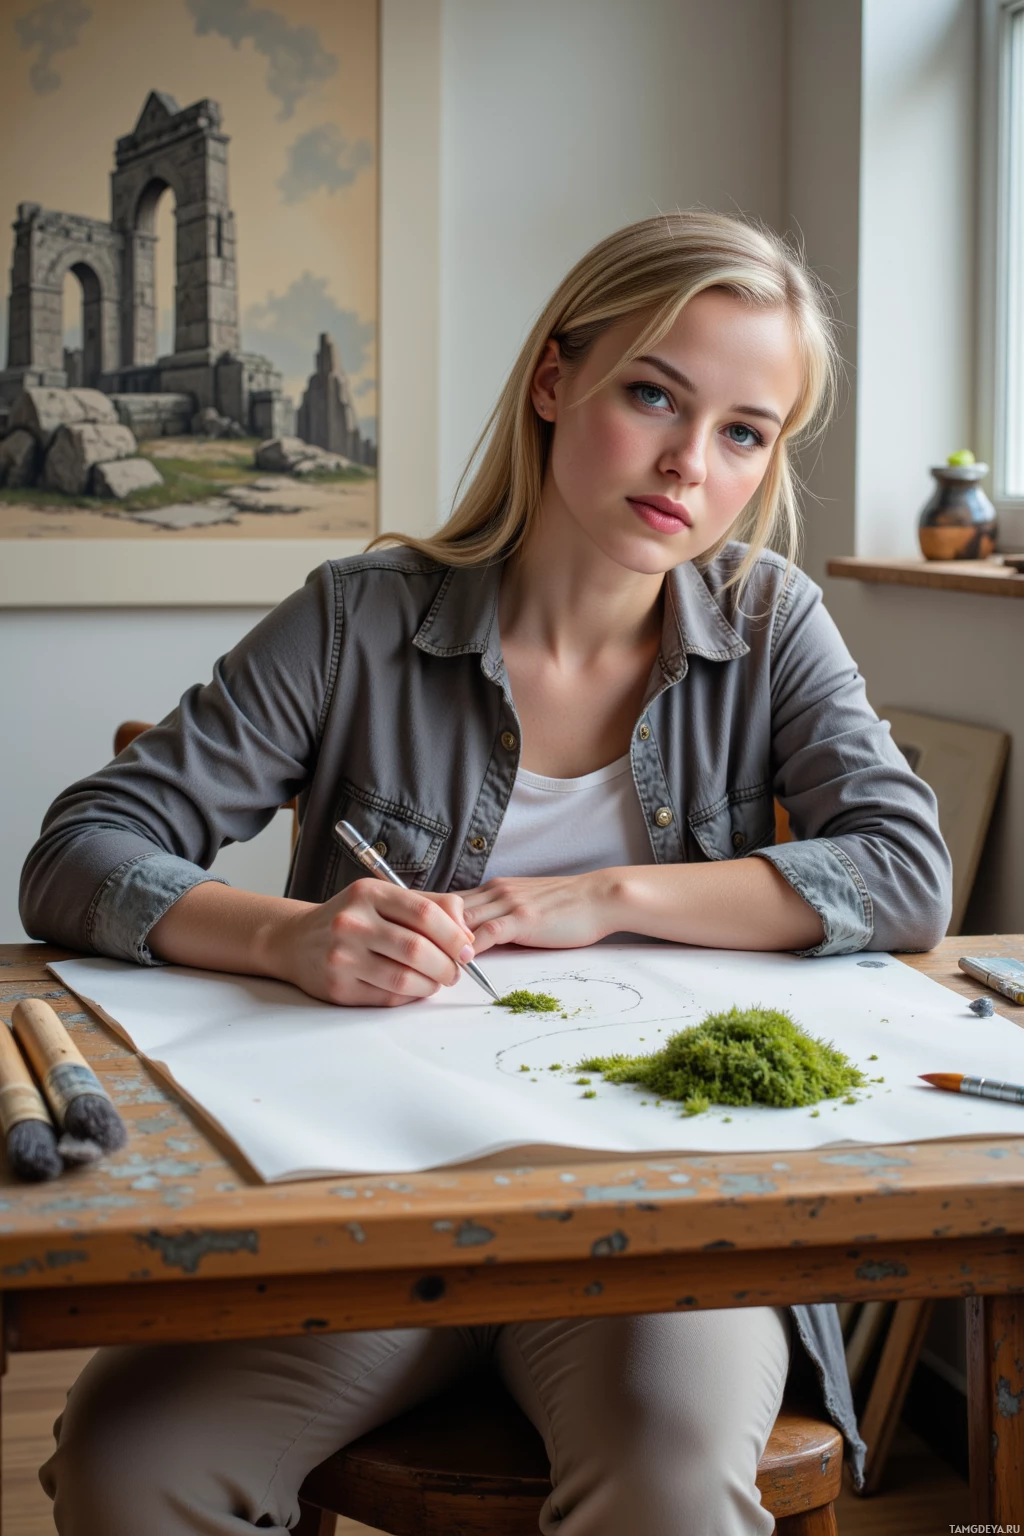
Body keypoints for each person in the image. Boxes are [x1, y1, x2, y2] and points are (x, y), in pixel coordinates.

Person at [21, 210, 951, 1536]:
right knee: (134, 1466)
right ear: (556, 380)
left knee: (671, 1493)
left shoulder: (769, 622)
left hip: (666, 1234)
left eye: (746, 431)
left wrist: (602, 896)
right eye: (653, 395)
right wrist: (286, 937)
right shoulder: (360, 619)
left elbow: (907, 870)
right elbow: (76, 854)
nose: (692, 464)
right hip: (370, 1217)